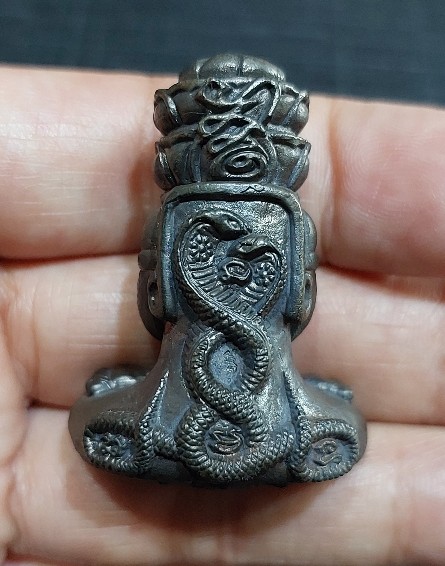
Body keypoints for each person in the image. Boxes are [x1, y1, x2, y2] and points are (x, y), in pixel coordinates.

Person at [0, 66, 444, 565]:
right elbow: (298, 309)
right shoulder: (293, 225)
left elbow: (156, 306)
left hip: (167, 406)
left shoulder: (169, 221)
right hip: (281, 415)